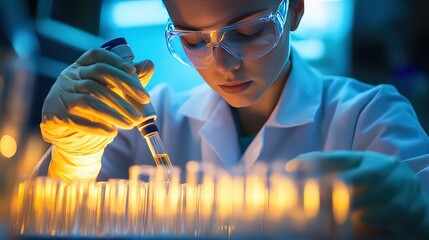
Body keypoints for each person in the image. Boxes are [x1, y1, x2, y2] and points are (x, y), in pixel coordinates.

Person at [39, 0, 429, 237]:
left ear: (293, 9)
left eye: (249, 31)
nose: (223, 64)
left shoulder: (369, 116)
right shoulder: (137, 121)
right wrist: (73, 159)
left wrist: (418, 214)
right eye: (193, 41)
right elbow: (47, 228)